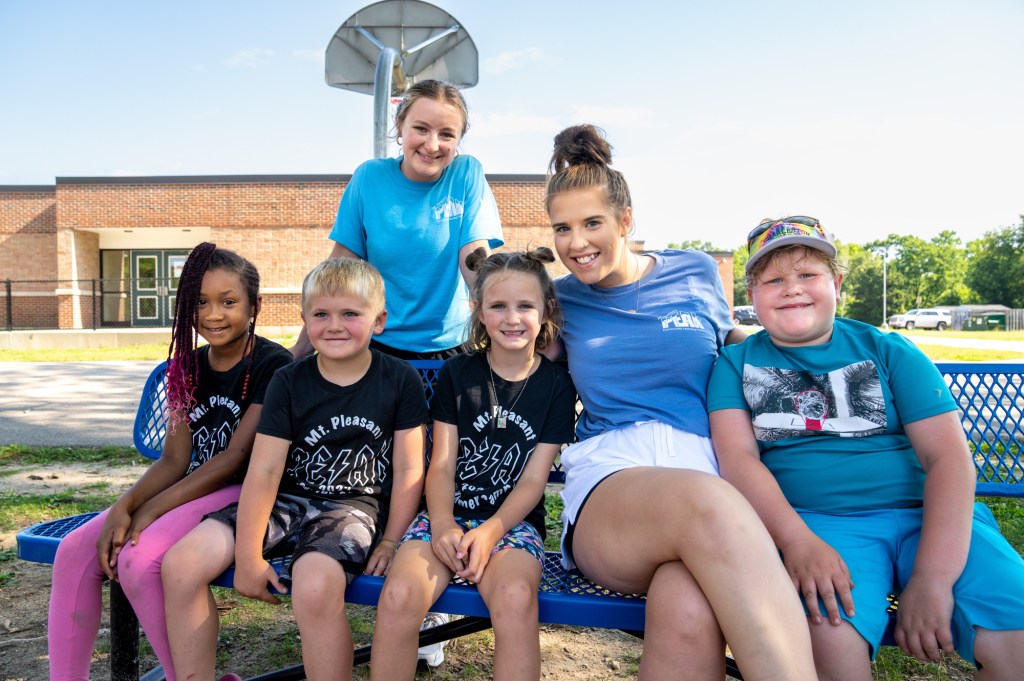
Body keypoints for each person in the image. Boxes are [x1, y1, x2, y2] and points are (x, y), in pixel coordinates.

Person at [544, 124, 817, 680]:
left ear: (625, 220)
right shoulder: (559, 299)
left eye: (592, 223)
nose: (576, 243)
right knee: (708, 505)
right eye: (563, 228)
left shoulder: (694, 270)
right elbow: (516, 357)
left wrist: (805, 358)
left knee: (686, 601)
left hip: (704, 466)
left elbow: (732, 342)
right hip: (614, 481)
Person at [707, 217, 1024, 680]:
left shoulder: (889, 350)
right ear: (752, 296)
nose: (792, 288)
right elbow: (738, 460)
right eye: (774, 280)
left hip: (929, 517)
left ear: (836, 284)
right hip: (819, 526)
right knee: (829, 640)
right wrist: (796, 541)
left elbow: (949, 460)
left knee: (1016, 637)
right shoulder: (736, 364)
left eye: (808, 274)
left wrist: (933, 579)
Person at [162, 258, 428, 681]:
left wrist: (392, 540)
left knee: (315, 585)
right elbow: (265, 471)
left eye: (350, 314)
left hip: (353, 510)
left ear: (378, 321)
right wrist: (248, 555)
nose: (335, 326)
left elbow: (410, 469)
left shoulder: (399, 379)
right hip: (286, 502)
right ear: (305, 320)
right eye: (321, 314)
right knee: (181, 565)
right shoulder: (288, 381)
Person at [47, 243, 293, 681]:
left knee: (139, 559)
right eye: (199, 302)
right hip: (192, 489)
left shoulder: (274, 364)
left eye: (228, 302)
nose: (212, 314)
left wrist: (151, 510)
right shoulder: (185, 366)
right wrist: (124, 507)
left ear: (255, 306)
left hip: (243, 491)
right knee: (73, 552)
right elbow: (175, 458)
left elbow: (235, 457)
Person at [370, 247, 576, 680]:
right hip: (444, 516)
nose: (512, 318)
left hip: (512, 525)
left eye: (525, 306)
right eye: (498, 306)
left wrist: (490, 531)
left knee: (516, 598)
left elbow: (533, 480)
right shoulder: (458, 374)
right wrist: (444, 523)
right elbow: (442, 465)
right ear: (478, 310)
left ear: (545, 311)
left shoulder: (557, 385)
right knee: (400, 595)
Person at [291, 79, 504, 362]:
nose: (432, 144)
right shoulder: (369, 177)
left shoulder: (466, 172)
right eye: (421, 129)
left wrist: (501, 323)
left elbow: (474, 256)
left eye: (446, 134)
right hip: (379, 344)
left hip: (452, 346)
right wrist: (303, 347)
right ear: (400, 126)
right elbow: (341, 266)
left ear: (458, 141)